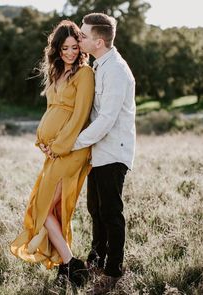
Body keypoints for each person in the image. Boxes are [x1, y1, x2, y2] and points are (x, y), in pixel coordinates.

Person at [10, 20, 95, 286]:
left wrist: (58, 146)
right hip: (54, 152)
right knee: (49, 209)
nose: (70, 52)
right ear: (56, 49)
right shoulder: (56, 74)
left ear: (80, 47)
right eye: (64, 48)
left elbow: (79, 116)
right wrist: (43, 142)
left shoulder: (85, 74)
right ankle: (66, 264)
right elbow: (51, 112)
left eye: (74, 47)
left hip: (71, 151)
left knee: (43, 206)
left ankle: (72, 265)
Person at [72, 13, 136, 294]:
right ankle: (96, 260)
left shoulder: (117, 70)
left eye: (83, 36)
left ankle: (113, 271)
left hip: (113, 152)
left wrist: (74, 142)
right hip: (99, 152)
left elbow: (107, 118)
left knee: (111, 212)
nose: (79, 38)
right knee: (95, 209)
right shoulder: (100, 65)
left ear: (98, 41)